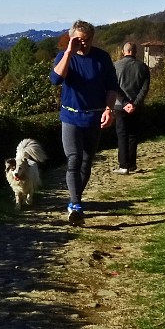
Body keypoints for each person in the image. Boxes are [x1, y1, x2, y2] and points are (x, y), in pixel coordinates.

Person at [49, 20, 127, 226]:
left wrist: (109, 110)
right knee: (73, 159)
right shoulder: (64, 57)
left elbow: (111, 87)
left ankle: (75, 200)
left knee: (86, 162)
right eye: (79, 40)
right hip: (71, 117)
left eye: (87, 40)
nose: (83, 44)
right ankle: (75, 206)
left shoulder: (102, 58)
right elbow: (56, 80)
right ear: (71, 38)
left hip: (94, 117)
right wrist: (68, 53)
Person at [112, 42, 150, 174]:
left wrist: (124, 102)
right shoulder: (143, 67)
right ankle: (132, 164)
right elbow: (145, 88)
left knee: (122, 135)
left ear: (123, 51)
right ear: (135, 52)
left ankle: (123, 165)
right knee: (133, 135)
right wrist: (135, 103)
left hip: (119, 106)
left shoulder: (116, 66)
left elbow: (114, 87)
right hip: (136, 106)